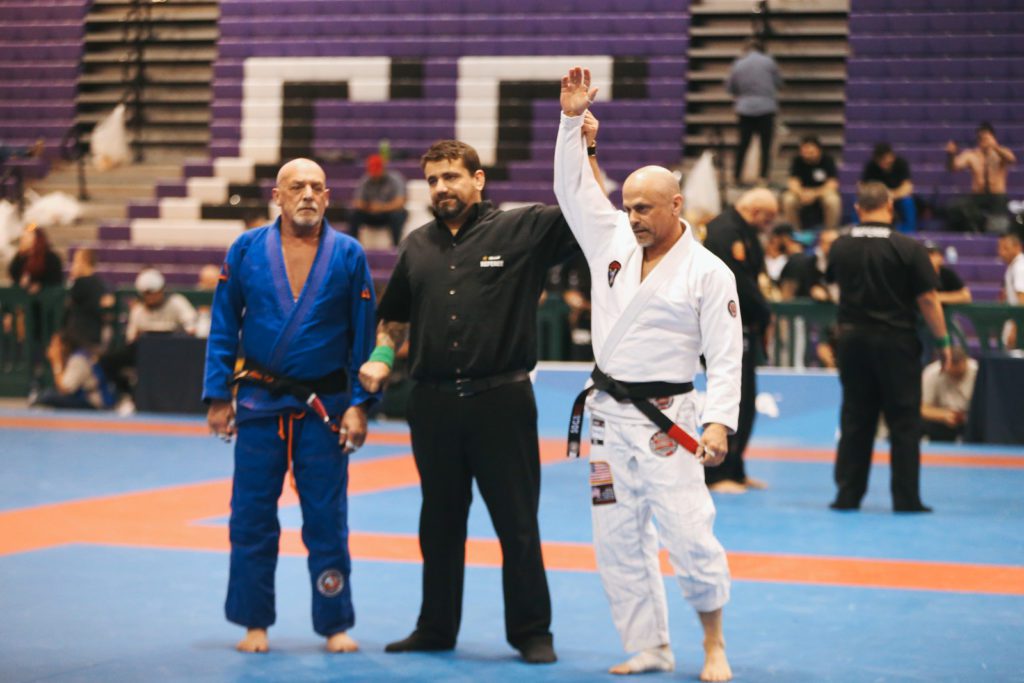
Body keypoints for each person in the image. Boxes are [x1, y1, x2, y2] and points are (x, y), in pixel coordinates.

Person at [357, 131, 599, 663]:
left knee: (517, 523)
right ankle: (435, 627)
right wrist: (382, 355)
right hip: (433, 404)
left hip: (501, 402)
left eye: (451, 176)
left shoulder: (522, 227)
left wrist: (584, 149)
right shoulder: (416, 244)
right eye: (433, 180)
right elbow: (394, 317)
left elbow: (589, 213)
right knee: (438, 523)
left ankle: (532, 632)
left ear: (478, 179)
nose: (441, 187)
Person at [553, 66, 740, 681]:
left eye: (644, 208)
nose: (631, 216)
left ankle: (713, 643)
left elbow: (726, 353)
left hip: (669, 420)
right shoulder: (609, 240)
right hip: (607, 418)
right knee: (616, 539)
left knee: (689, 533)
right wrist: (571, 124)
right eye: (628, 205)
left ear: (676, 205)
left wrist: (719, 422)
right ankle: (650, 645)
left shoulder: (708, 272)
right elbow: (572, 189)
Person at [203, 158, 378, 654]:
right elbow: (223, 325)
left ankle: (334, 622)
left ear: (328, 197)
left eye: (317, 187)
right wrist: (217, 395)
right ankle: (253, 622)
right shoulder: (245, 249)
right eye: (296, 186)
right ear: (276, 196)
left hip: (325, 408)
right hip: (259, 403)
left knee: (327, 518)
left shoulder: (348, 254)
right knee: (251, 516)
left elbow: (363, 337)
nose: (307, 194)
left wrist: (360, 404)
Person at [825, 181, 953, 513]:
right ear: (890, 206)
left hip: (853, 340)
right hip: (896, 342)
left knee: (855, 417)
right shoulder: (908, 247)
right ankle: (906, 498)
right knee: (904, 421)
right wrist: (943, 341)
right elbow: (928, 299)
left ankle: (847, 495)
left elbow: (832, 287)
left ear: (857, 209)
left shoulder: (840, 245)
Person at [702, 188, 777, 493]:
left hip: (745, 326)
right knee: (733, 399)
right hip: (725, 325)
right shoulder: (724, 230)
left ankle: (736, 469)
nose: (769, 225)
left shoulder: (744, 231)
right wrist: (765, 310)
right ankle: (716, 474)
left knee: (746, 404)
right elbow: (738, 283)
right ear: (755, 211)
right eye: (768, 219)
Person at [99, 268, 198, 407]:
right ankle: (128, 396)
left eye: (154, 293)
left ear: (161, 290)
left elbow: (191, 326)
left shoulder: (176, 302)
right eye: (147, 294)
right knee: (107, 361)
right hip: (145, 353)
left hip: (174, 353)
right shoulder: (138, 310)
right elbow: (131, 338)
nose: (151, 298)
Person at [725, 39, 782, 186]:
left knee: (743, 145)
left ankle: (736, 176)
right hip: (766, 108)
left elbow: (730, 87)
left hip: (745, 109)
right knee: (765, 146)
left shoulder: (739, 63)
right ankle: (763, 178)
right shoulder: (769, 62)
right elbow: (779, 83)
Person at [945, 123, 1017, 233]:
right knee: (954, 207)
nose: (983, 141)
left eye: (986, 138)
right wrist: (951, 155)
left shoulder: (1001, 153)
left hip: (997, 196)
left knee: (998, 226)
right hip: (977, 196)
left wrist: (995, 147)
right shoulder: (971, 154)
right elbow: (953, 167)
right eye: (980, 138)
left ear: (993, 138)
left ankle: (991, 228)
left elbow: (1012, 159)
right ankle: (976, 228)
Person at [32, 329, 115, 410]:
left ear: (64, 346)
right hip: (84, 401)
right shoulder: (71, 359)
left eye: (55, 345)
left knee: (48, 396)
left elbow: (64, 389)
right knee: (47, 395)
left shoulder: (78, 360)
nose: (51, 349)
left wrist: (56, 361)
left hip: (96, 405)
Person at [781, 136, 841, 231]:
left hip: (821, 192)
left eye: (811, 152)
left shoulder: (828, 160)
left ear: (819, 150)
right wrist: (801, 193)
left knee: (833, 200)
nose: (808, 155)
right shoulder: (797, 160)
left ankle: (830, 231)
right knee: (788, 200)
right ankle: (794, 232)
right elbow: (793, 182)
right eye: (805, 152)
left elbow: (832, 184)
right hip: (802, 192)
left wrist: (814, 194)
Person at [349, 153, 408, 248]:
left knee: (398, 215)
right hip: (371, 213)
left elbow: (400, 202)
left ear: (382, 169)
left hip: (389, 214)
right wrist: (369, 206)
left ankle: (396, 247)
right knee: (354, 214)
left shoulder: (395, 179)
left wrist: (382, 207)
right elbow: (357, 202)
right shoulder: (365, 180)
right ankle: (353, 246)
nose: (375, 175)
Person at [921, 347, 977, 442]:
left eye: (959, 374)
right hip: (941, 421)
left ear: (966, 362)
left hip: (972, 420)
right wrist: (943, 415)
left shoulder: (977, 372)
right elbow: (922, 408)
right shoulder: (931, 373)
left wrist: (967, 417)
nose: (955, 377)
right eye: (952, 374)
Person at [860, 142, 916, 233]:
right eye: (882, 160)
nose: (886, 162)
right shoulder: (871, 166)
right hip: (877, 199)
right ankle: (861, 228)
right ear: (877, 160)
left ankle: (908, 231)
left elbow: (907, 187)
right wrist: (878, 196)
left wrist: (892, 195)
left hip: (897, 198)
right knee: (859, 201)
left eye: (888, 158)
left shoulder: (901, 164)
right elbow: (862, 187)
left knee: (907, 202)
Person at [64, 248, 113, 349]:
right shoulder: (100, 284)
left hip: (79, 337)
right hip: (94, 335)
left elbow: (68, 303)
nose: (73, 266)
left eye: (76, 261)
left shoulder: (80, 283)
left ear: (84, 262)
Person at [8, 224, 62, 293]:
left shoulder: (50, 257)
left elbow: (54, 279)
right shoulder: (21, 256)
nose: (23, 240)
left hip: (46, 295)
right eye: (23, 237)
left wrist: (41, 285)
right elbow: (13, 272)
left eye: (27, 237)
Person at [997, 231, 1024, 348]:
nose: (1001, 252)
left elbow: (1022, 300)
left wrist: (1015, 328)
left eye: (1005, 248)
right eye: (999, 248)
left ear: (1018, 247)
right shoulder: (1013, 266)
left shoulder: (1020, 267)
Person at [923, 241, 971, 305]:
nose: (928, 257)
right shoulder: (917, 273)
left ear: (941, 258)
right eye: (925, 254)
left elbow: (966, 296)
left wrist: (937, 297)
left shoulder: (947, 274)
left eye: (932, 254)